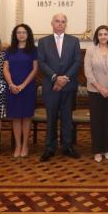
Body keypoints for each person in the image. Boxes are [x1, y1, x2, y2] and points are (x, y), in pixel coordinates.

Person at [38, 14, 82, 162]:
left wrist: (64, 78)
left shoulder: (74, 41)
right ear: (52, 23)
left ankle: (67, 147)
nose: (60, 24)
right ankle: (49, 148)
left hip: (68, 86)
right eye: (57, 21)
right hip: (50, 86)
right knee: (51, 118)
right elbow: (42, 63)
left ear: (66, 24)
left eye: (63, 22)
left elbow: (77, 62)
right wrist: (56, 77)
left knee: (67, 118)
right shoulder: (44, 42)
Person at [84, 25, 108, 162]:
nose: (103, 37)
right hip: (95, 91)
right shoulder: (90, 51)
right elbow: (88, 72)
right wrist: (100, 88)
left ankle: (107, 149)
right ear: (97, 37)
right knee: (96, 121)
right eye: (100, 34)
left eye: (105, 34)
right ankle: (97, 151)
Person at [4, 24, 38, 158]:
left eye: (24, 32)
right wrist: (11, 84)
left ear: (28, 34)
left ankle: (25, 145)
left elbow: (35, 69)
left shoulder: (33, 50)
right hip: (12, 88)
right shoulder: (9, 50)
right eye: (19, 32)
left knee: (26, 117)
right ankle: (18, 145)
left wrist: (23, 85)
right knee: (16, 117)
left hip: (28, 88)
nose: (21, 35)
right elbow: (5, 68)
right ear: (15, 35)